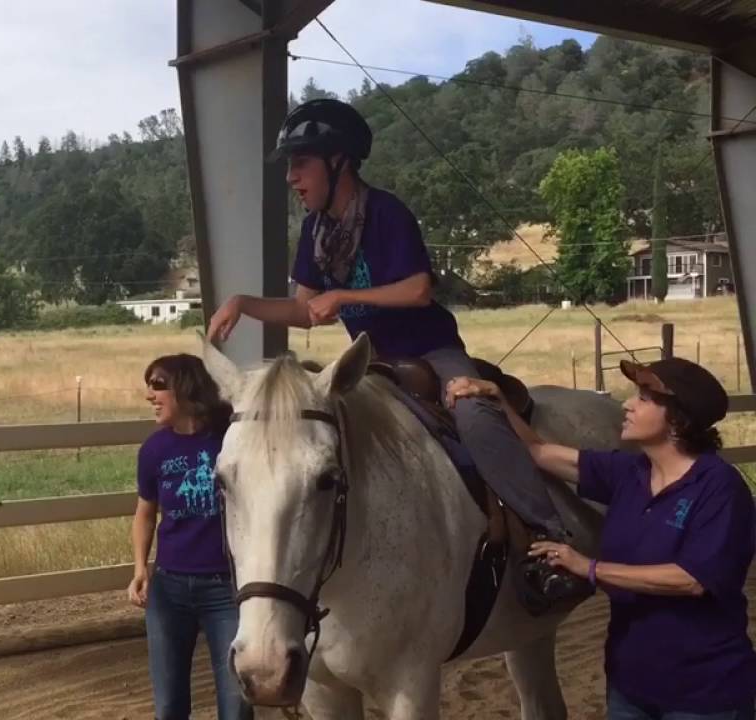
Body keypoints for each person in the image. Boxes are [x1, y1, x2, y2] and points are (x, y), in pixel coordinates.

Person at [205, 97, 584, 608]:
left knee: (473, 414)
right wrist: (244, 303)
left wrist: (343, 297)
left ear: (337, 161)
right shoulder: (316, 233)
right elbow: (303, 310)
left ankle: (548, 539)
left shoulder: (385, 213)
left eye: (301, 164)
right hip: (377, 363)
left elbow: (417, 291)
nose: (292, 178)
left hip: (431, 352)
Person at [447, 357, 756, 719]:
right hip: (630, 686)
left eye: (643, 398)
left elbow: (691, 580)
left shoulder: (720, 488)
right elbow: (538, 452)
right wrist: (498, 400)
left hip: (704, 694)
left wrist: (589, 567)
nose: (627, 403)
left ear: (677, 418)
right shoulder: (628, 472)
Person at [128, 354, 252, 720]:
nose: (150, 394)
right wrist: (140, 568)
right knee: (168, 707)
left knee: (236, 705)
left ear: (186, 387)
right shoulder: (154, 450)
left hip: (226, 590)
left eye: (158, 384)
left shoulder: (230, 439)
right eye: (148, 385)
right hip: (169, 590)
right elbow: (145, 513)